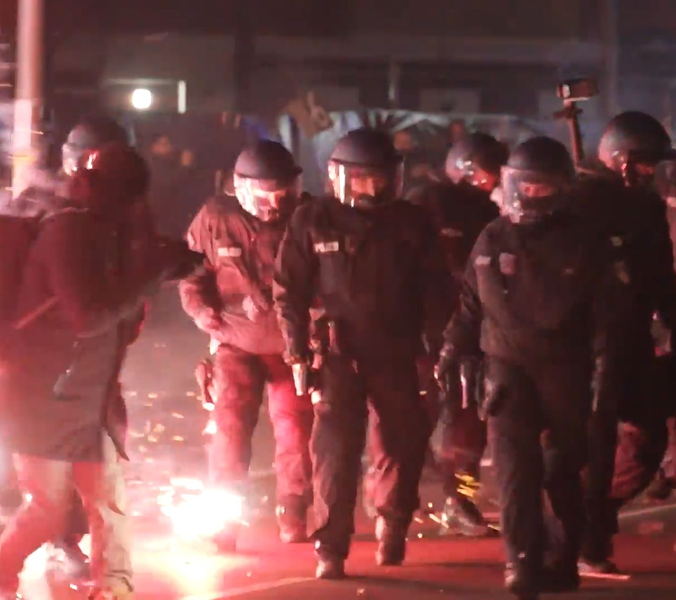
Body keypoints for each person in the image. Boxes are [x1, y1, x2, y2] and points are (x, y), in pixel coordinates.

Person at [0, 142, 199, 600]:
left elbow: (122, 295)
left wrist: (170, 265)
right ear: (96, 188)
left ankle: (113, 589)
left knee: (106, 502)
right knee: (47, 509)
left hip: (86, 398)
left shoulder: (106, 230)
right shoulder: (65, 232)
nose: (132, 207)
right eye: (125, 195)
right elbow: (87, 316)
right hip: (40, 398)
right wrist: (152, 274)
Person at [437, 136, 627, 599]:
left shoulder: (586, 242)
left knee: (564, 470)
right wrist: (451, 350)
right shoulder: (494, 236)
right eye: (528, 186)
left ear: (561, 188)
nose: (534, 196)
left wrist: (605, 371)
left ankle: (562, 559)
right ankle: (520, 563)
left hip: (568, 370)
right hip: (507, 369)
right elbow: (470, 306)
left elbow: (608, 314)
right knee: (514, 472)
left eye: (544, 188)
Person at [274, 128, 454, 579]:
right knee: (334, 452)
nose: (371, 188)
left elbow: (437, 289)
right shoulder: (313, 219)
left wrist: (440, 348)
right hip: (335, 355)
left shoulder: (412, 222)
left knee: (400, 443)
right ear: (339, 177)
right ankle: (331, 547)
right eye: (361, 180)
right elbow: (288, 290)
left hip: (398, 351)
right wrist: (296, 351)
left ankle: (392, 525)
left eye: (379, 179)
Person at [0, 115, 131, 578]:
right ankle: (17, 545)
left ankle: (10, 545)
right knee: (62, 452)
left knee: (35, 452)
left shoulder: (53, 208)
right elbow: (90, 307)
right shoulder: (69, 220)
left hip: (37, 364)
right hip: (50, 365)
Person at [179, 140, 313, 550]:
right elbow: (191, 274)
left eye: (283, 194)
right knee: (230, 429)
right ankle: (225, 518)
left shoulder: (309, 218)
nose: (275, 204)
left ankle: (293, 511)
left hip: (292, 345)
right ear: (242, 189)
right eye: (266, 195)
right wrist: (202, 312)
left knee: (295, 430)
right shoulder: (215, 218)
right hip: (234, 343)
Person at [576, 111, 676, 574]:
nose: (652, 175)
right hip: (583, 344)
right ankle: (583, 541)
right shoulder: (576, 203)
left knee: (645, 442)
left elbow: (659, 279)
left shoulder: (649, 210)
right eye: (646, 165)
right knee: (586, 448)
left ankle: (590, 522)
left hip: (632, 341)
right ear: (621, 161)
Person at [408, 132, 507, 536]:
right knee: (412, 418)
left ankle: (458, 497)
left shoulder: (489, 213)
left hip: (469, 332)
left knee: (466, 421)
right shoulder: (423, 204)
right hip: (421, 331)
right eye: (487, 174)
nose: (492, 182)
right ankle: (407, 495)